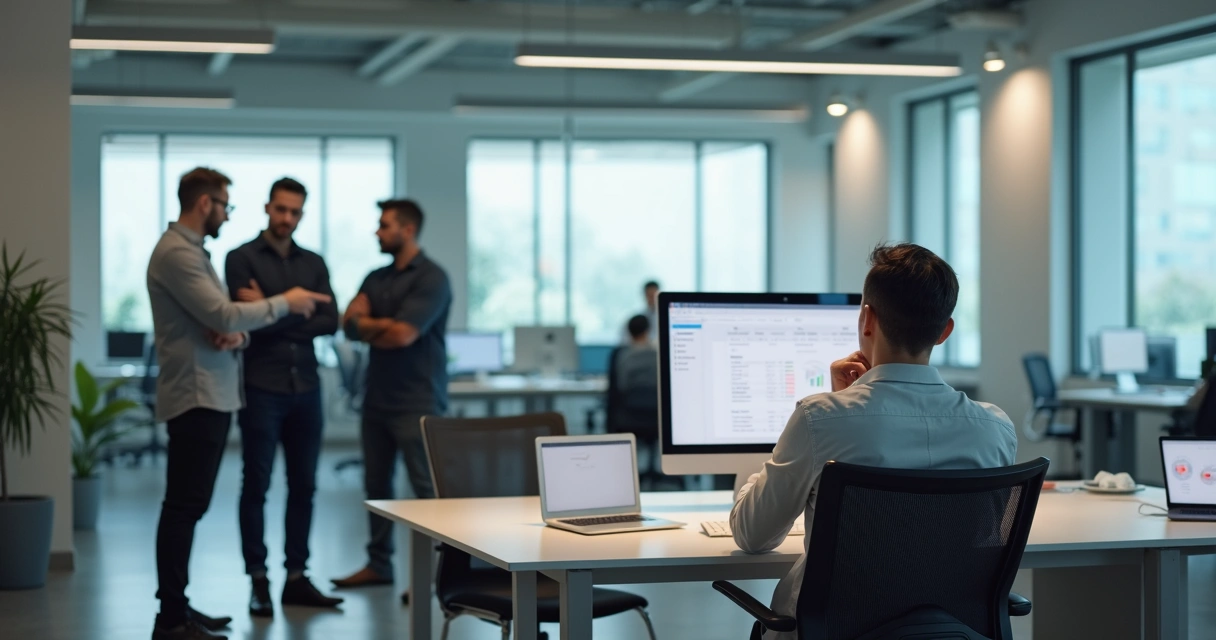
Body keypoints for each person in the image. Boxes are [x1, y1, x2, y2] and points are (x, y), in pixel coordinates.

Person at [729, 243, 1018, 640]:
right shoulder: (994, 428)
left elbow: (753, 535)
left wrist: (829, 415)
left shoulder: (820, 419)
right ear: (945, 330)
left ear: (867, 318)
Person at [146, 168, 331, 640]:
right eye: (225, 204)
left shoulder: (192, 253)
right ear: (206, 203)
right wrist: (287, 302)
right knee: (188, 505)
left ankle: (178, 609)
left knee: (190, 505)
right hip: (199, 392)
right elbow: (226, 312)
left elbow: (328, 317)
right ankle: (172, 618)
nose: (227, 213)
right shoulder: (183, 255)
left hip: (222, 390)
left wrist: (254, 315)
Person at [223, 178, 343, 618]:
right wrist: (293, 306)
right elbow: (242, 320)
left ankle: (296, 577)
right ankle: (258, 578)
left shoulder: (313, 262)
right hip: (261, 388)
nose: (286, 218)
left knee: (305, 487)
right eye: (280, 209)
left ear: (301, 214)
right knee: (256, 485)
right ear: (267, 208)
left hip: (306, 389)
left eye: (294, 212)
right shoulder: (241, 258)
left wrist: (272, 306)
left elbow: (332, 320)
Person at [331, 199, 452, 603]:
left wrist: (371, 324)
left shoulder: (432, 278)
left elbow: (403, 336)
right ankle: (379, 565)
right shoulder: (376, 276)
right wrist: (377, 325)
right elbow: (347, 325)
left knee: (426, 494)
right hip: (377, 398)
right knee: (376, 486)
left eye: (384, 225)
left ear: (408, 229)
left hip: (417, 400)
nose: (377, 232)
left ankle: (439, 577)